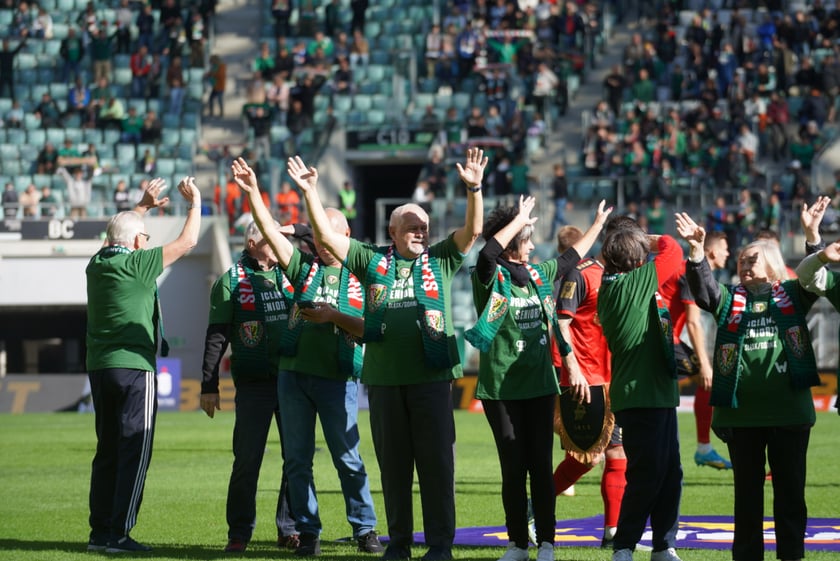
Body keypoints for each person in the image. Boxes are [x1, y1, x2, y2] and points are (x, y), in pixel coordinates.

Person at [288, 147, 487, 561]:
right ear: (392, 232)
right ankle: (398, 543)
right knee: (394, 472)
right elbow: (326, 237)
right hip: (383, 381)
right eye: (412, 226)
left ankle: (439, 546)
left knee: (437, 470)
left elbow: (471, 231)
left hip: (432, 382)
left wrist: (474, 189)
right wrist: (309, 192)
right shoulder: (371, 259)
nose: (421, 232)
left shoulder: (441, 259)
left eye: (425, 226)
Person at [233, 157, 385, 557]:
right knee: (297, 460)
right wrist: (251, 192)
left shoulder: (367, 272)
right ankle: (308, 531)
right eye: (316, 235)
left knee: (347, 458)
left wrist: (335, 317)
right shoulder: (303, 268)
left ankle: (365, 528)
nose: (320, 241)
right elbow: (269, 230)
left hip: (338, 378)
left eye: (328, 234)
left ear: (346, 236)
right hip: (294, 376)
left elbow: (371, 328)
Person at [676, 198, 830, 561]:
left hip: (789, 416)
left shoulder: (792, 294)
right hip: (741, 418)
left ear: (773, 265)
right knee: (747, 500)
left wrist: (812, 236)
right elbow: (705, 293)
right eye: (741, 260)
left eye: (751, 259)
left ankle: (791, 556)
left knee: (791, 496)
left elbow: (814, 275)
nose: (743, 264)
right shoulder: (730, 299)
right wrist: (697, 252)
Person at [465, 196, 612, 561]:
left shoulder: (537, 276)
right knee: (513, 469)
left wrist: (596, 224)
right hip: (500, 390)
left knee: (541, 469)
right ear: (513, 243)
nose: (532, 246)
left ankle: (547, 542)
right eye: (527, 240)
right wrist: (518, 220)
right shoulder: (489, 277)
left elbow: (570, 258)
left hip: (540, 387)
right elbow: (487, 255)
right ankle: (517, 544)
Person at [86, 177, 202, 553]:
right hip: (135, 366)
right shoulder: (137, 264)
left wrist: (142, 206)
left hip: (100, 367)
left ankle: (100, 533)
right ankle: (119, 535)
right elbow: (188, 243)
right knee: (135, 450)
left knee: (107, 450)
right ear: (137, 243)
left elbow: (113, 236)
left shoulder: (96, 264)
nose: (147, 244)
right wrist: (194, 204)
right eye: (146, 238)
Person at [199, 217, 297, 553]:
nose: (278, 244)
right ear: (252, 244)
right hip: (254, 384)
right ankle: (239, 532)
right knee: (246, 460)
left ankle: (290, 528)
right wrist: (208, 384)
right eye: (270, 238)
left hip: (292, 379)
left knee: (295, 459)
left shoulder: (291, 272)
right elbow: (217, 336)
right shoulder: (231, 281)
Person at [596, 220, 684, 561]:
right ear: (636, 261)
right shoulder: (632, 283)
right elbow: (673, 252)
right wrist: (651, 238)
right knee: (648, 473)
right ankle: (624, 545)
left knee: (669, 472)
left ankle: (663, 544)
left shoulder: (617, 284)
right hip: (641, 392)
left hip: (654, 391)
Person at [552, 218, 639, 550]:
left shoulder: (625, 278)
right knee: (586, 457)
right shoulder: (582, 273)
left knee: (617, 453)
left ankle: (612, 532)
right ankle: (537, 505)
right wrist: (570, 366)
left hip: (616, 378)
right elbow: (562, 323)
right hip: (586, 378)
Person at [659, 249, 732, 470]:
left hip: (660, 337)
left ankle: (699, 448)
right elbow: (692, 322)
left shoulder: (686, 270)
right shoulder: (689, 273)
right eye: (724, 247)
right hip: (662, 338)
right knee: (707, 377)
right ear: (712, 250)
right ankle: (703, 448)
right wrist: (704, 363)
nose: (727, 253)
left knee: (662, 390)